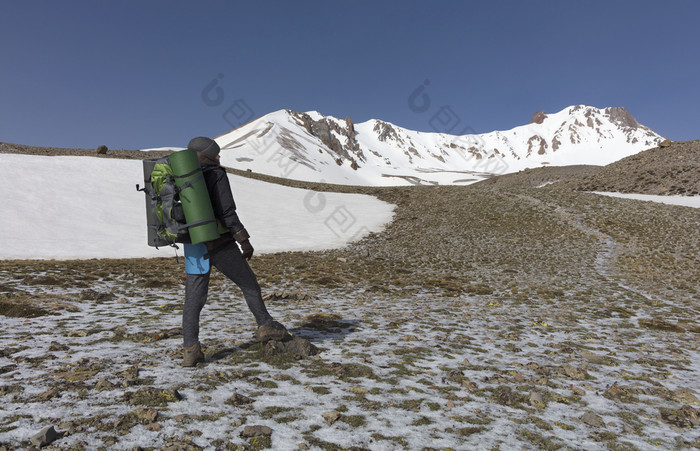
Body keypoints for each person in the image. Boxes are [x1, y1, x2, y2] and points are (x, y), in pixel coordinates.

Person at [182, 136, 288, 367]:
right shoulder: (215, 174)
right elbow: (227, 211)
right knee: (249, 284)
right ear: (208, 156)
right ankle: (265, 324)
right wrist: (244, 240)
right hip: (219, 243)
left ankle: (191, 350)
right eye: (216, 154)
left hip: (193, 245)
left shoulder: (179, 176)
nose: (219, 158)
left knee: (194, 299)